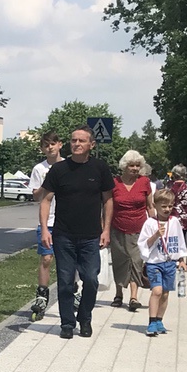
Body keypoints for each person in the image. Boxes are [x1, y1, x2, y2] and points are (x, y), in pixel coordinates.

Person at [39, 128, 114, 339]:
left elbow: (108, 200)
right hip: (63, 235)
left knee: (91, 279)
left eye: (81, 140)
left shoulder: (100, 168)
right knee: (65, 281)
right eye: (73, 140)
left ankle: (85, 318)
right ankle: (67, 323)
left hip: (91, 235)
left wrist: (106, 229)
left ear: (92, 144)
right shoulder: (59, 169)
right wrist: (44, 229)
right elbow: (46, 200)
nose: (77, 144)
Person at [137, 188, 187, 337]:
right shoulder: (150, 223)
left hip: (170, 263)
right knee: (157, 291)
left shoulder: (175, 222)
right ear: (155, 205)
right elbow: (144, 243)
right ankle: (152, 321)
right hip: (155, 263)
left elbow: (180, 241)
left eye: (170, 206)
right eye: (164, 206)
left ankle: (159, 319)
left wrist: (182, 259)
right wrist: (156, 235)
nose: (167, 209)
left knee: (165, 293)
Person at [109, 150, 155, 310]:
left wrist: (156, 225)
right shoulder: (114, 182)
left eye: (137, 165)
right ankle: (118, 293)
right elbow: (108, 207)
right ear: (124, 166)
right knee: (120, 261)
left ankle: (133, 297)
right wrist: (104, 229)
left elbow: (150, 206)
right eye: (131, 165)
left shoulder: (144, 182)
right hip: (117, 229)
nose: (135, 168)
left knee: (136, 261)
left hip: (139, 229)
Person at [29, 131, 64, 321]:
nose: (50, 148)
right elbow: (36, 196)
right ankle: (42, 295)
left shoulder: (68, 165)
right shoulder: (39, 169)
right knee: (46, 258)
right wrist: (47, 181)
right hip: (48, 221)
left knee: (68, 260)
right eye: (46, 145)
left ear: (60, 145)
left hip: (66, 220)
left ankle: (73, 291)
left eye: (53, 144)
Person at [168, 164, 187, 266]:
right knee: (183, 238)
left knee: (172, 238)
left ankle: (172, 258)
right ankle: (182, 260)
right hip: (185, 218)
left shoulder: (169, 187)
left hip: (171, 216)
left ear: (174, 174)